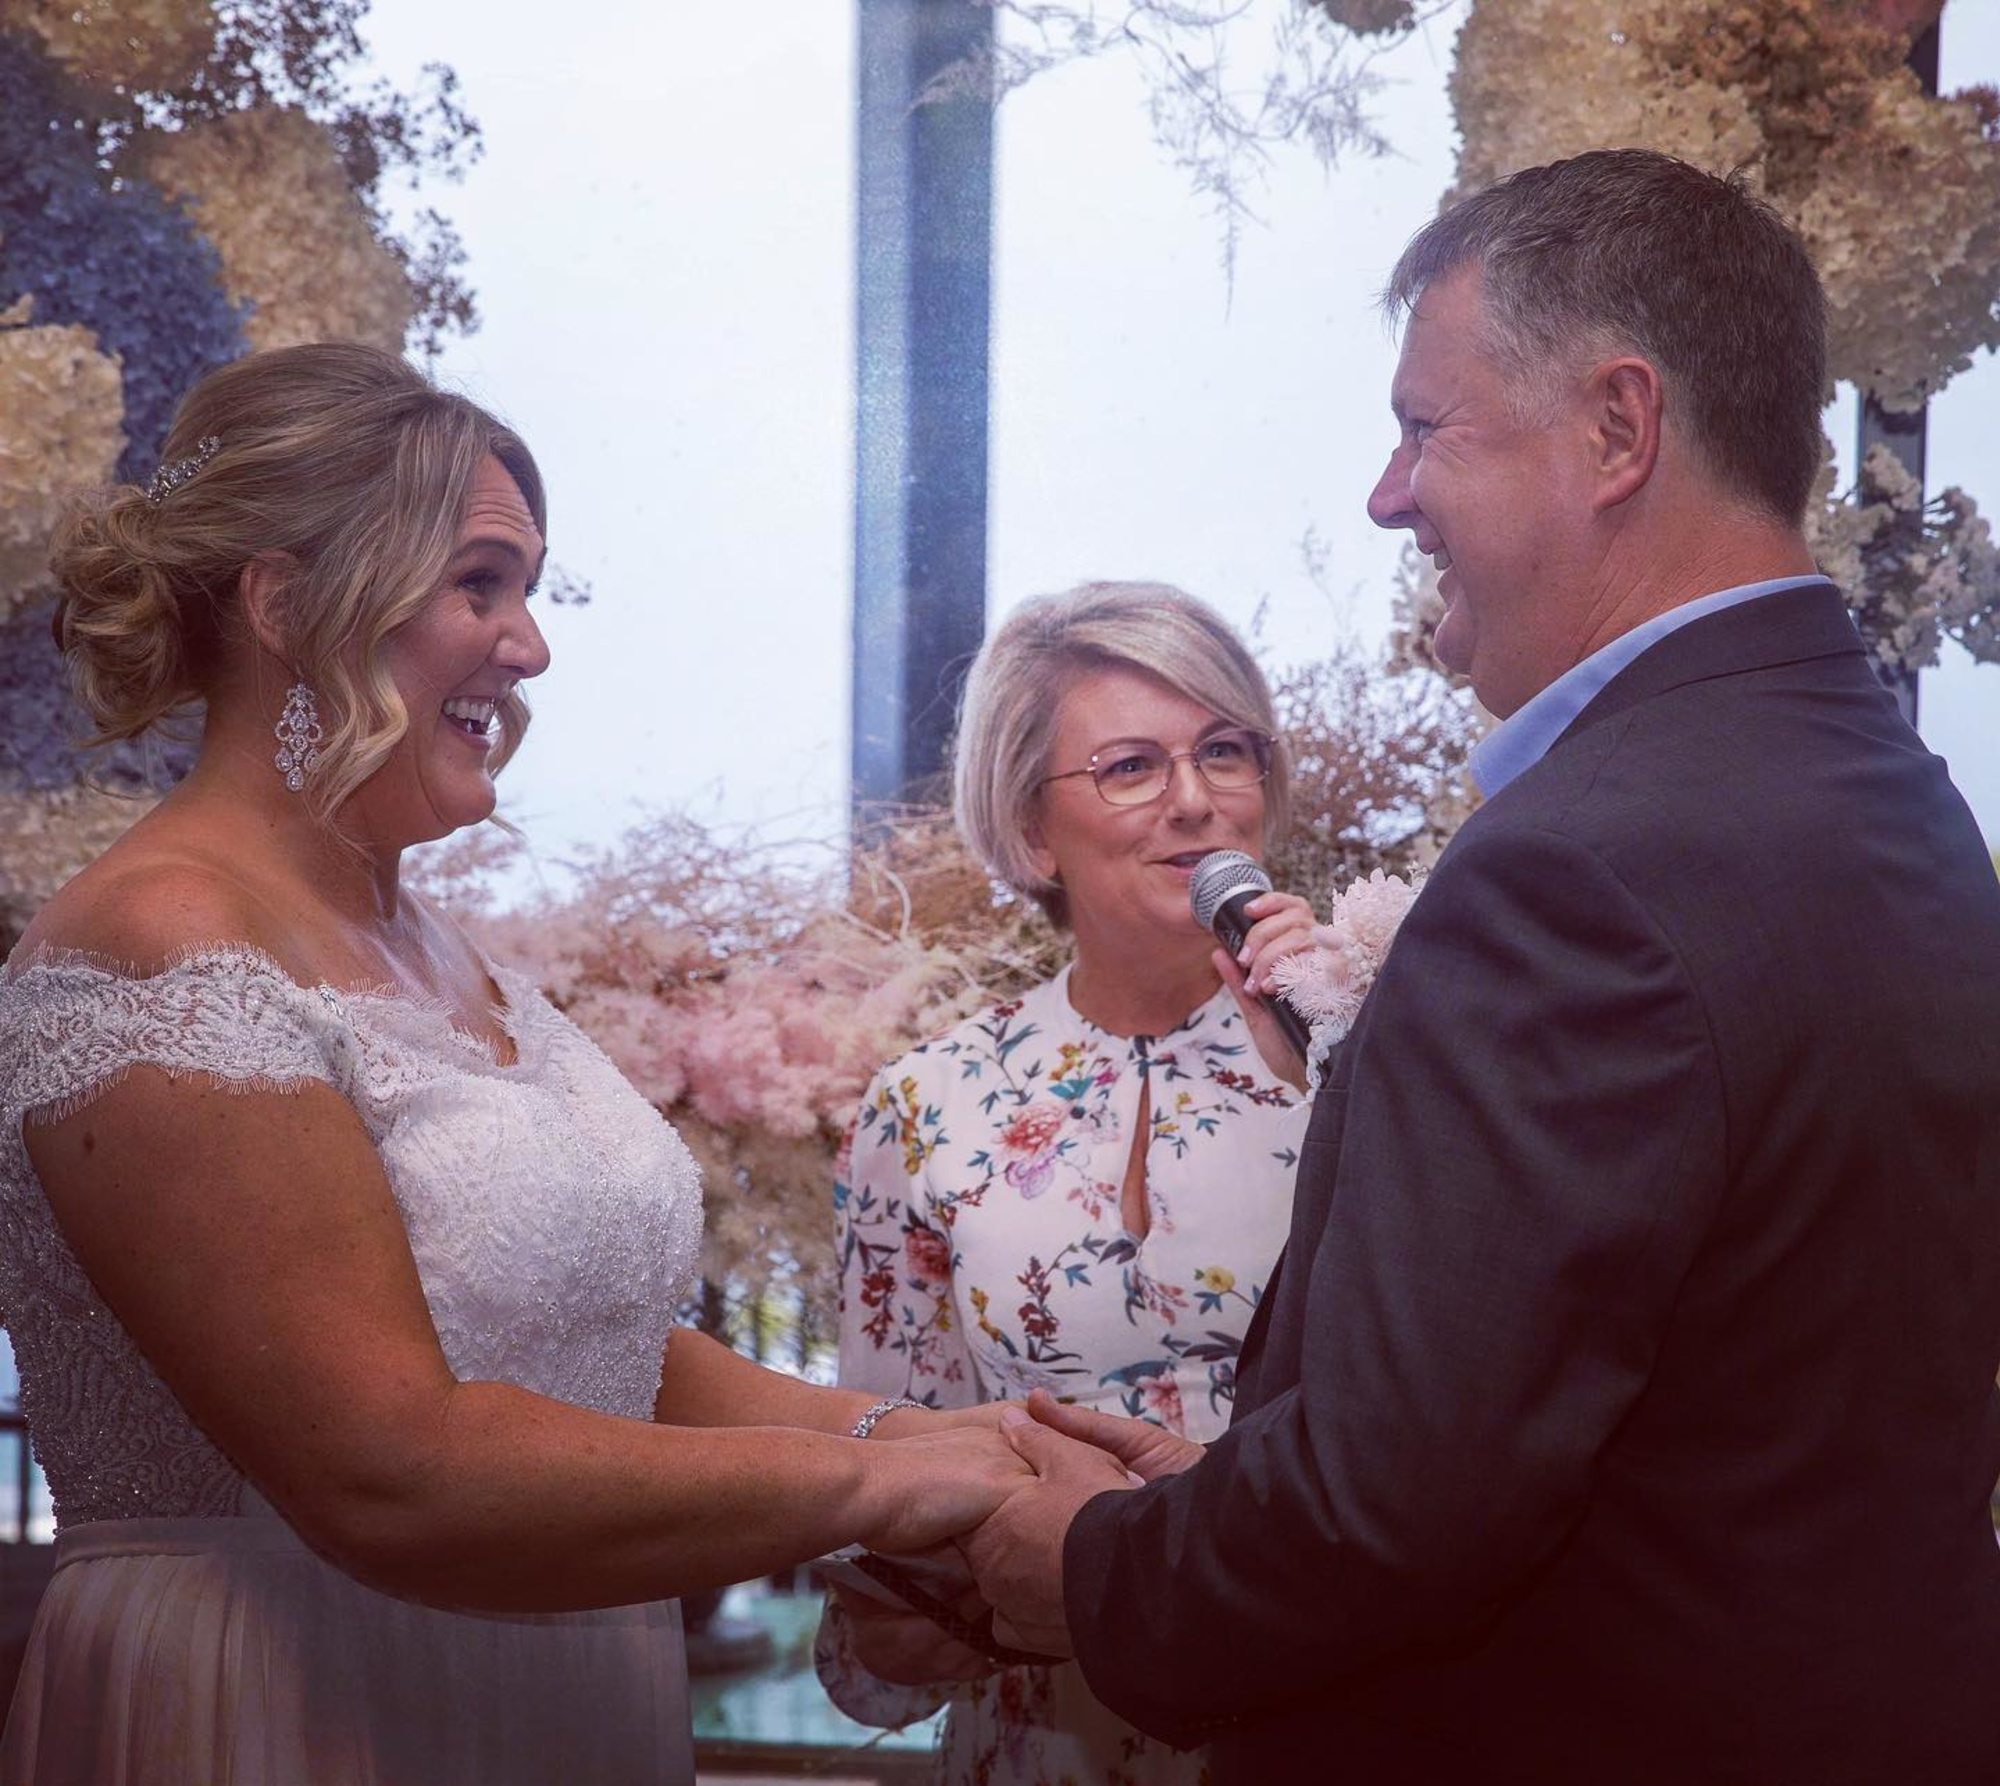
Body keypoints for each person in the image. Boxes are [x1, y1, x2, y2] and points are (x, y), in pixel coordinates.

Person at [960, 149, 2000, 1784]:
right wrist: (1229, 1496)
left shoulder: (1579, 869)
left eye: (1426, 427)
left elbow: (1405, 1496)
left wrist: (1100, 1570)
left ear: (1616, 429)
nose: (1389, 495)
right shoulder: (1898, 799)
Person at [0, 342, 1030, 1785]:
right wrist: (878, 1484)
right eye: (478, 584)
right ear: (287, 605)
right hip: (297, 1695)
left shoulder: (438, 946)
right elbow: (389, 1470)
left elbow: (590, 1348)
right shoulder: (161, 943)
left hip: (553, 1685)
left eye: (527, 590)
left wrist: (944, 1436)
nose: (530, 645)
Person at [815, 583, 1320, 1784]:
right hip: (1042, 1733)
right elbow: (887, 1513)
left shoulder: (1380, 1047)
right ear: (1031, 829)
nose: (1193, 799)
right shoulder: (928, 1103)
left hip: (1326, 1712)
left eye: (1223, 751)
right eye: (1131, 766)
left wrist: (1341, 1038)